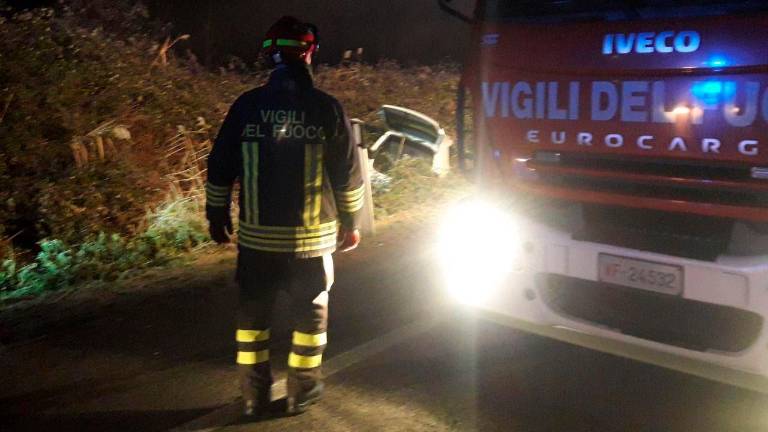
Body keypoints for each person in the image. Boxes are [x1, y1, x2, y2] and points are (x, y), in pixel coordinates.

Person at [205, 16, 364, 418]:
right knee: (311, 316)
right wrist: (352, 223)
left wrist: (216, 213)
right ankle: (301, 391)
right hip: (311, 243)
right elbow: (348, 175)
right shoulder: (326, 108)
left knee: (252, 320)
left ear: (269, 54)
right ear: (310, 51)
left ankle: (253, 396)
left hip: (257, 243)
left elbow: (221, 164)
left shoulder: (246, 106)